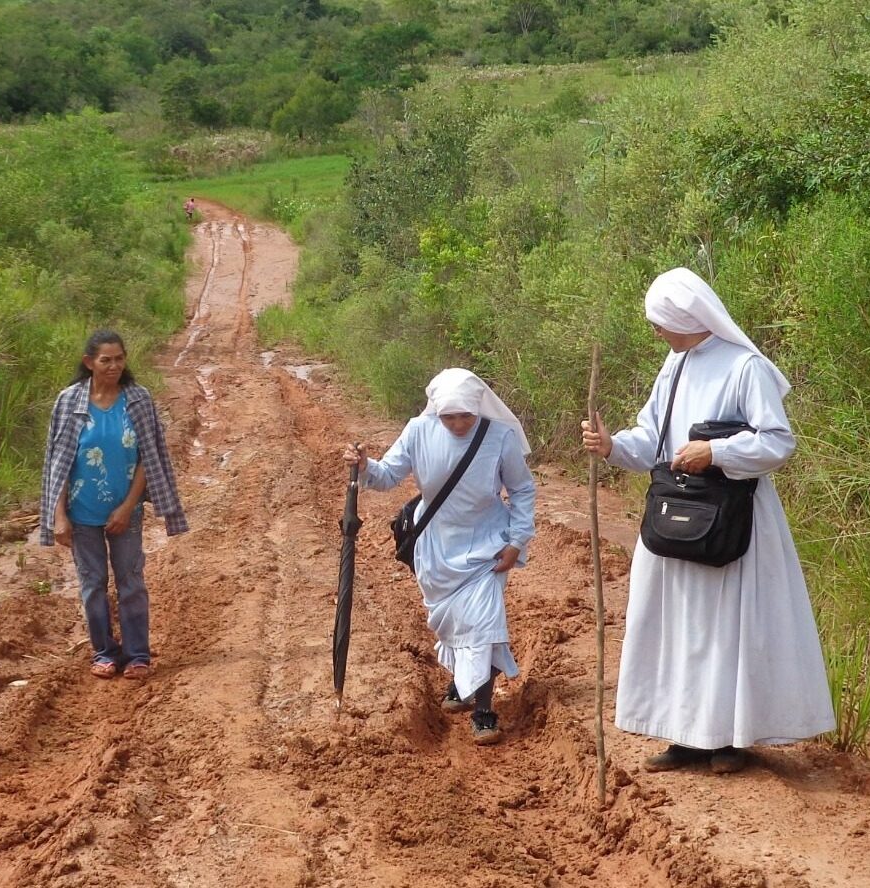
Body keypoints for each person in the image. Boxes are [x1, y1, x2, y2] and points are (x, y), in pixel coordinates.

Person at [581, 267, 835, 773]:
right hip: (678, 513)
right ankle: (685, 736)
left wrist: (715, 452)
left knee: (725, 627)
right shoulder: (672, 368)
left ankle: (727, 740)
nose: (656, 332)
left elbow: (777, 442)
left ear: (685, 316)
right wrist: (611, 447)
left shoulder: (746, 368)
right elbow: (651, 439)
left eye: (660, 322)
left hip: (733, 520)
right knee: (677, 623)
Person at [345, 369, 537, 745]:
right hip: (435, 546)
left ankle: (483, 711)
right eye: (449, 417)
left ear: (478, 409)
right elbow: (386, 477)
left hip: (487, 544)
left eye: (466, 415)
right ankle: (459, 683)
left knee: (484, 625)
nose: (459, 424)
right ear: (436, 412)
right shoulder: (419, 430)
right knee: (451, 623)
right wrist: (365, 465)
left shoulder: (499, 436)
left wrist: (517, 541)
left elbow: (522, 490)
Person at [40, 330, 188, 680]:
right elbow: (57, 463)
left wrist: (127, 507)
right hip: (81, 514)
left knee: (131, 582)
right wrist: (59, 516)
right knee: (92, 584)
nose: (114, 366)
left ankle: (138, 655)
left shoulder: (137, 400)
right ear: (89, 362)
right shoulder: (68, 401)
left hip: (126, 512)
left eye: (119, 358)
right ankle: (104, 652)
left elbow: (147, 459)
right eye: (105, 360)